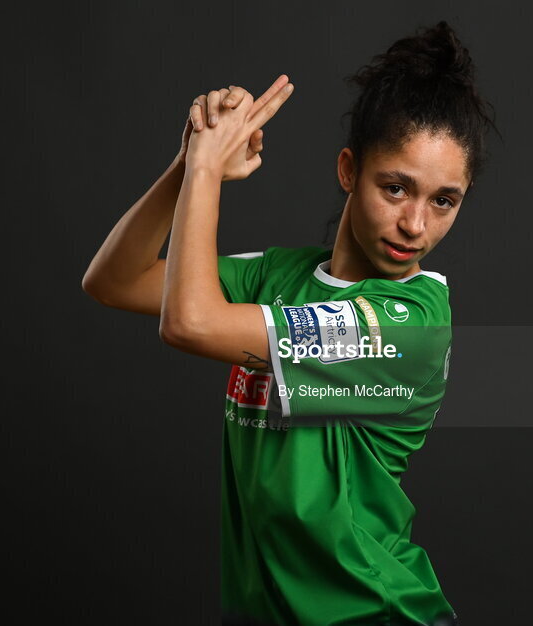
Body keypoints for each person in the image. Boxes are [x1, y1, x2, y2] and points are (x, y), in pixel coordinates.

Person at [83, 20, 495, 626]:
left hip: (369, 615)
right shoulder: (280, 275)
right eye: (395, 187)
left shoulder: (409, 324)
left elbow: (190, 323)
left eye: (443, 200)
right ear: (349, 170)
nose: (415, 225)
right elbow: (114, 281)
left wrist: (207, 173)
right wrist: (189, 161)